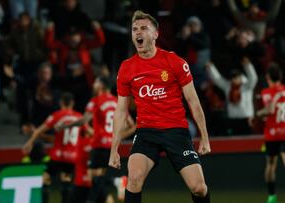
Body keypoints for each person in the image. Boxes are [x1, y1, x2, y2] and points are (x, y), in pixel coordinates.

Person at [109, 10, 211, 203]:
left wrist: (204, 137)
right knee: (134, 178)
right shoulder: (127, 68)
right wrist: (114, 149)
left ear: (155, 34)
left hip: (176, 131)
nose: (138, 33)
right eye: (134, 29)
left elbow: (193, 101)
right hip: (147, 132)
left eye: (143, 28)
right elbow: (121, 111)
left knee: (198, 188)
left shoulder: (174, 62)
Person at [57, 76, 135, 203]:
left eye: (96, 83)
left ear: (101, 86)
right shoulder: (118, 102)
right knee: (98, 178)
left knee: (92, 176)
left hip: (99, 145)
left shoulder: (96, 101)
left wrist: (65, 126)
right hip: (111, 146)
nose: (94, 85)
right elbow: (131, 126)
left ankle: (117, 181)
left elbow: (83, 120)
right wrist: (115, 137)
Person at [23, 92, 88, 203]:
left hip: (58, 156)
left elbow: (39, 130)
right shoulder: (79, 117)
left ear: (61, 102)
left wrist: (29, 143)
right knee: (66, 182)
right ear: (72, 103)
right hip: (71, 157)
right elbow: (88, 134)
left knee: (46, 178)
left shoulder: (57, 115)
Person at [206, 57, 258, 135]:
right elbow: (218, 80)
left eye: (236, 77)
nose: (234, 79)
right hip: (233, 120)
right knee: (235, 143)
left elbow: (253, 78)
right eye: (232, 77)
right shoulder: (228, 87)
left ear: (240, 77)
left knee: (247, 143)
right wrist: (211, 68)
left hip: (246, 119)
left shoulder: (247, 86)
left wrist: (248, 65)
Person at [257, 65, 285, 203]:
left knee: (271, 164)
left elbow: (270, 110)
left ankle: (272, 195)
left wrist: (258, 113)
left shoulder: (266, 92)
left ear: (268, 77)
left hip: (272, 134)